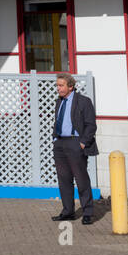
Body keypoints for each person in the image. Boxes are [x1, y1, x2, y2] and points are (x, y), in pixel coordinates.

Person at [51, 72, 98, 224]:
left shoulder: (83, 101)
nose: (58, 88)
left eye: (61, 85)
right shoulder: (59, 101)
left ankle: (88, 213)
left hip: (75, 143)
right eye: (57, 85)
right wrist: (55, 138)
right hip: (60, 144)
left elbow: (91, 125)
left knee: (81, 179)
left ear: (70, 86)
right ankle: (68, 212)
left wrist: (82, 143)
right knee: (63, 179)